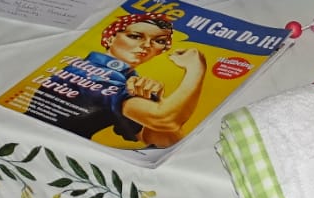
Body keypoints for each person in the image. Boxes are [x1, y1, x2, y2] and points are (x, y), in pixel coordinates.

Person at [28, 13, 208, 149]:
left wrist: (157, 101)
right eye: (135, 36)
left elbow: (164, 141)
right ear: (110, 37)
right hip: (36, 143)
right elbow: (165, 120)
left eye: (159, 41)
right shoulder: (93, 72)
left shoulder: (131, 81)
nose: (146, 46)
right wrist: (195, 69)